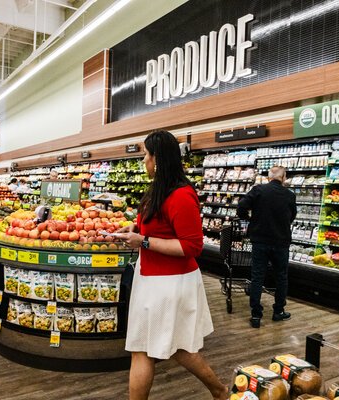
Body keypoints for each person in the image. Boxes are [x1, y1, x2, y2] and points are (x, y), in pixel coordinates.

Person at [117, 131, 227, 400]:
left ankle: (220, 390)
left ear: (159, 159)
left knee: (162, 347)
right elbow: (154, 227)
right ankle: (220, 391)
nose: (144, 160)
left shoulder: (180, 196)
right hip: (151, 278)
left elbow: (191, 247)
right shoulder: (158, 190)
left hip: (170, 283)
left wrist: (142, 241)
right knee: (158, 346)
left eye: (146, 154)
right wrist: (134, 228)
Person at [236, 166, 297, 329]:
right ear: (283, 178)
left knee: (257, 277)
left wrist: (249, 219)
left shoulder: (258, 190)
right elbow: (292, 216)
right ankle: (278, 311)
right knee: (281, 277)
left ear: (269, 177)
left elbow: (241, 207)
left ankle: (256, 315)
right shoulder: (290, 195)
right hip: (281, 242)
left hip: (260, 241)